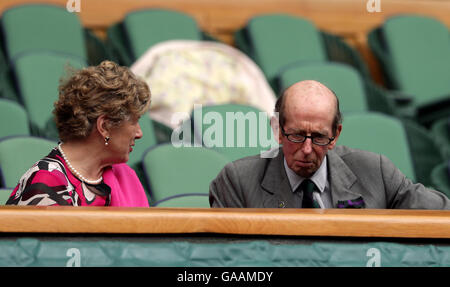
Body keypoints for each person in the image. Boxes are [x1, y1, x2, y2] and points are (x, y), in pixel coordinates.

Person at [209, 80, 450, 209]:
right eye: (296, 135)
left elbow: (440, 215)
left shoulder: (376, 172)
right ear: (277, 131)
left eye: (319, 137)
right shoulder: (237, 181)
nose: (306, 149)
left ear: (335, 135)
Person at [6, 60, 151, 207]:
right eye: (134, 122)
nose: (139, 133)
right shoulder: (45, 184)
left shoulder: (125, 176)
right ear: (104, 126)